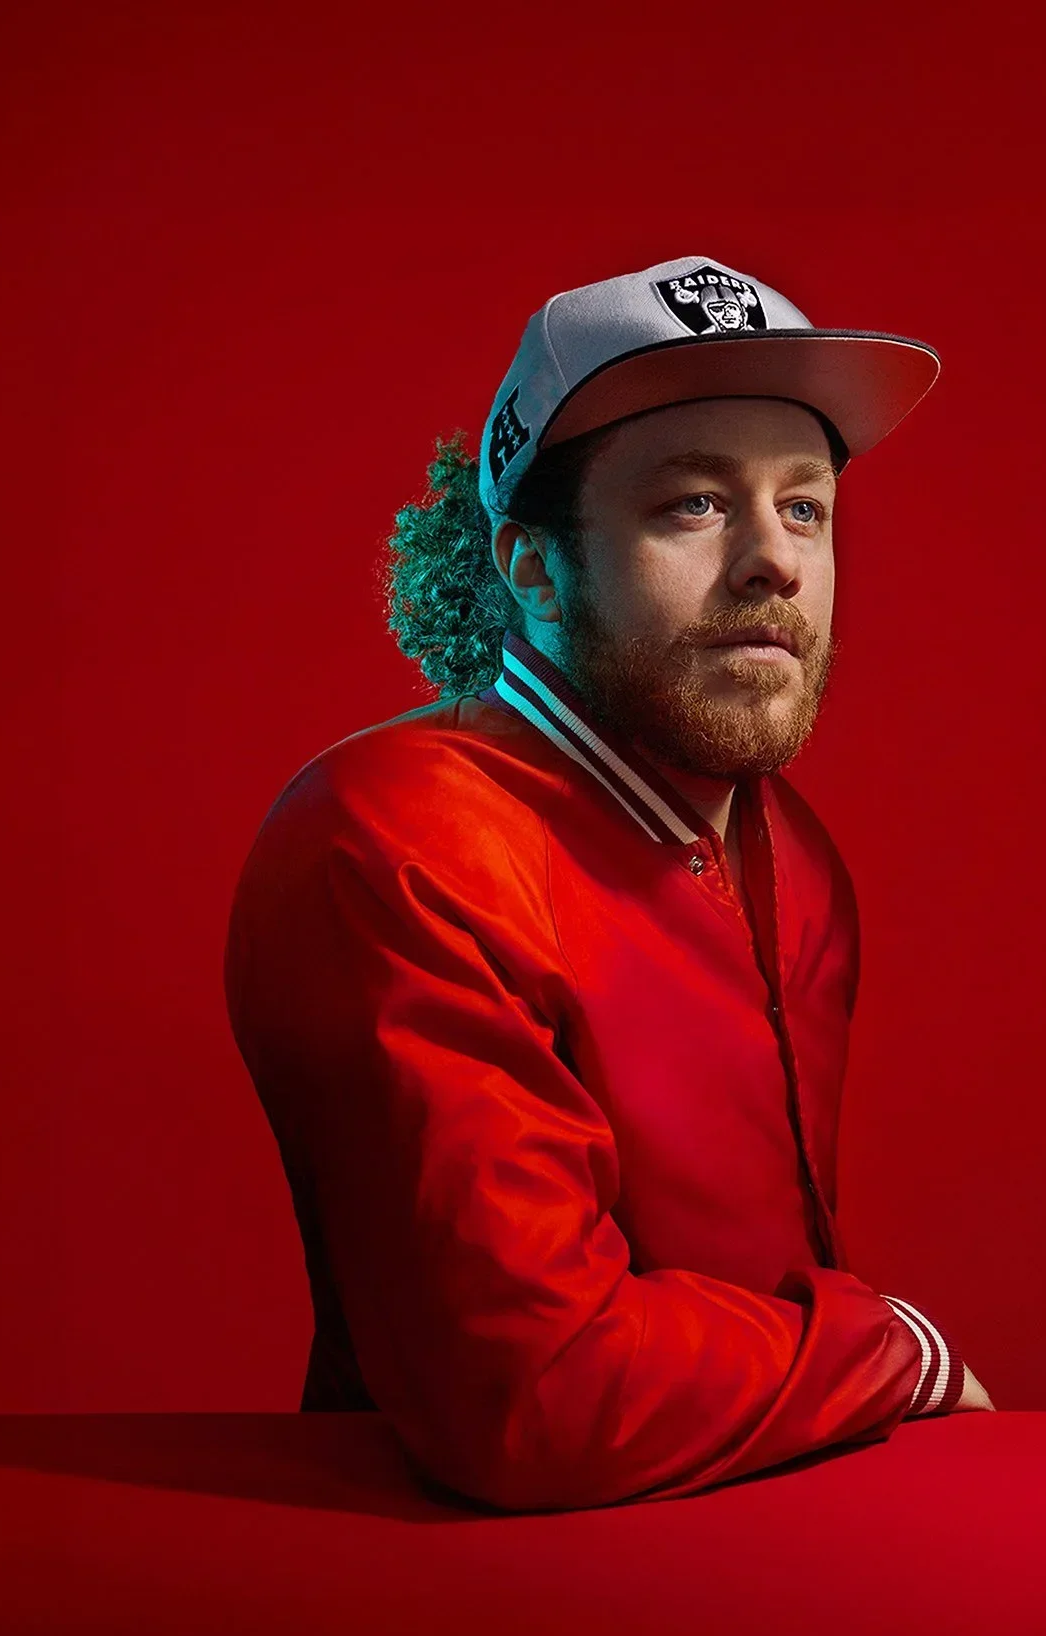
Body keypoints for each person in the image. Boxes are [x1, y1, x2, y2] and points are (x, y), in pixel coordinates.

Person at [224, 254, 994, 1514]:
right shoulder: (394, 841)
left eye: (803, 507)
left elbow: (749, 1315)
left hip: (764, 1578)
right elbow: (541, 1392)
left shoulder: (795, 852)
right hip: (488, 1619)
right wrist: (893, 1351)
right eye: (693, 504)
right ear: (529, 565)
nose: (772, 562)